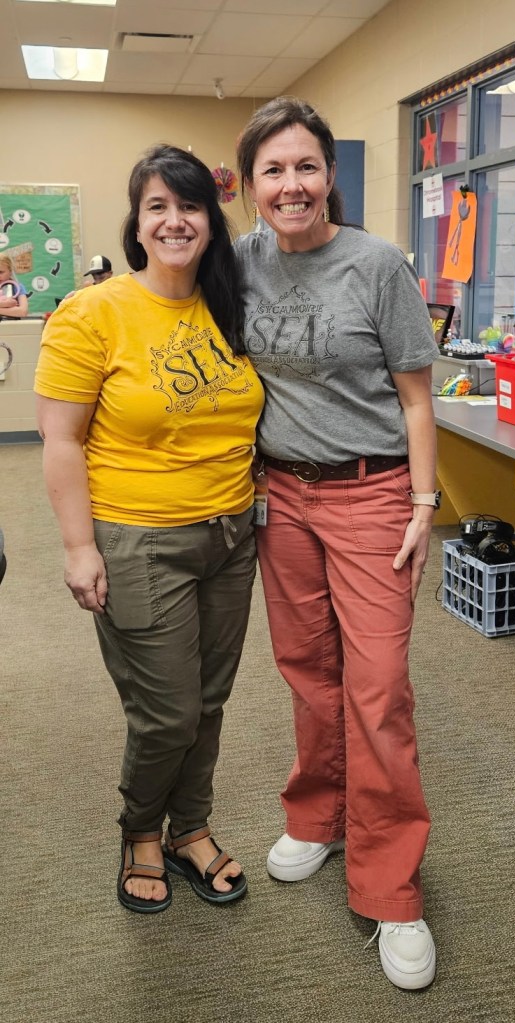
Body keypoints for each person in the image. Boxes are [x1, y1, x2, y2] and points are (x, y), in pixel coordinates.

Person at [235, 97, 440, 990]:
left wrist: (424, 503)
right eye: (273, 170)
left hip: (372, 491)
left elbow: (417, 399)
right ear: (250, 185)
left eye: (306, 167)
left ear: (330, 176)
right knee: (308, 671)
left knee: (379, 686)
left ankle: (392, 884)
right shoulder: (238, 262)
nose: (292, 185)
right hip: (281, 494)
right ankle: (317, 815)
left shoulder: (377, 264)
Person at [34, 143, 264, 915]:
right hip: (139, 540)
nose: (175, 220)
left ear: (211, 220)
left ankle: (190, 826)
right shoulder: (91, 313)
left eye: (190, 205)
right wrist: (79, 547)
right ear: (136, 223)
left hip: (231, 535)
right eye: (157, 206)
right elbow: (60, 439)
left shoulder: (229, 304)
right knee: (167, 711)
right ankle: (140, 830)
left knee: (210, 698)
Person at [0, 254, 29, 318]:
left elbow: (23, 312)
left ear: (10, 271)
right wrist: (6, 304)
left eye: (1, 272)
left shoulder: (18, 287)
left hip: (11, 323)